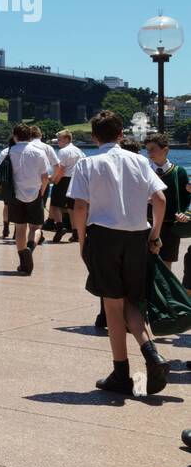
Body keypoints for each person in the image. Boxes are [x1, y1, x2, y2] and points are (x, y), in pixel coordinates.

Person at [68, 110, 171, 395]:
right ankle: (153, 356)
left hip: (104, 236)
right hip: (137, 235)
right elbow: (160, 199)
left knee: (112, 305)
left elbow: (79, 207)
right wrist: (155, 234)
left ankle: (121, 373)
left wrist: (81, 241)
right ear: (121, 134)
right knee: (133, 303)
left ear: (93, 137)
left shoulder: (87, 164)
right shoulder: (140, 160)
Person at [0, 124, 53, 275]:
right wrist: (42, 191)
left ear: (15, 136)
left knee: (20, 228)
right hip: (34, 193)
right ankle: (30, 249)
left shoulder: (8, 152)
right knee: (36, 227)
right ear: (30, 136)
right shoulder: (39, 152)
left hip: (15, 195)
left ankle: (23, 262)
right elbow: (45, 176)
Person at [144, 133, 191, 284]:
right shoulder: (143, 171)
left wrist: (185, 214)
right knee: (145, 265)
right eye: (147, 150)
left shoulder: (179, 172)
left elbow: (187, 200)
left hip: (171, 227)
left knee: (166, 267)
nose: (149, 153)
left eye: (153, 149)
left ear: (165, 150)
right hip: (147, 225)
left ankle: (164, 303)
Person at [50, 129, 85, 244]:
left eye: (59, 140)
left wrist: (55, 180)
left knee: (54, 205)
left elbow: (61, 169)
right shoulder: (79, 151)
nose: (58, 142)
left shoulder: (63, 151)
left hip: (64, 179)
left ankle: (60, 227)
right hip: (76, 180)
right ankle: (75, 233)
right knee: (71, 208)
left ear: (66, 139)